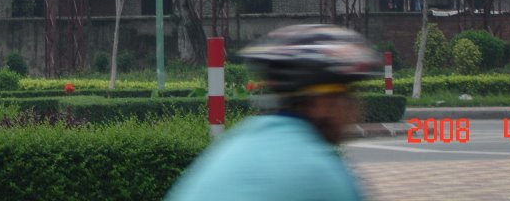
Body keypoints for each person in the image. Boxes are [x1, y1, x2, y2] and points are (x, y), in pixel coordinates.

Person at [164, 24, 382, 201]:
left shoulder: (240, 139)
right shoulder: (318, 172)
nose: (355, 110)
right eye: (350, 95)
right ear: (323, 102)